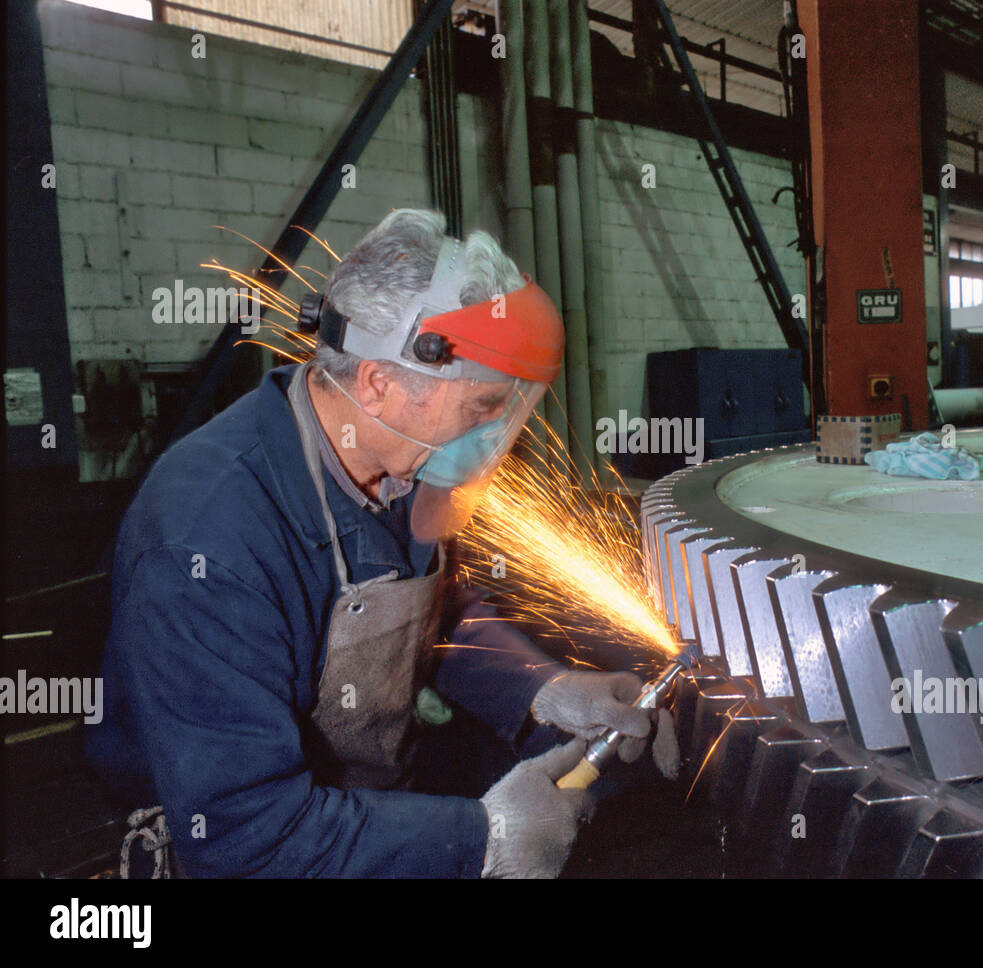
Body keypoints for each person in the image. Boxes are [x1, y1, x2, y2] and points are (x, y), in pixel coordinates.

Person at [86, 209, 677, 878]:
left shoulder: (397, 464)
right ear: (379, 383)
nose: (497, 434)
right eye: (483, 407)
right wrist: (478, 839)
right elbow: (245, 836)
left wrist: (543, 688)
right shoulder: (209, 538)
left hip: (368, 810)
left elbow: (439, 611)